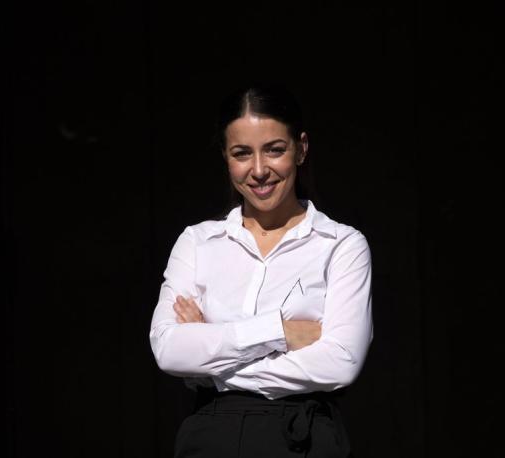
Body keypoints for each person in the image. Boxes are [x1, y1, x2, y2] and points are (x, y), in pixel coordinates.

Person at [149, 83, 373, 458]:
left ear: (301, 149)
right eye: (241, 153)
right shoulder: (198, 242)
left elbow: (341, 363)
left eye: (274, 150)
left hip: (301, 437)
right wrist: (279, 332)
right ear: (225, 156)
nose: (258, 170)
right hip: (210, 436)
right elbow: (169, 349)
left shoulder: (341, 245)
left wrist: (211, 360)